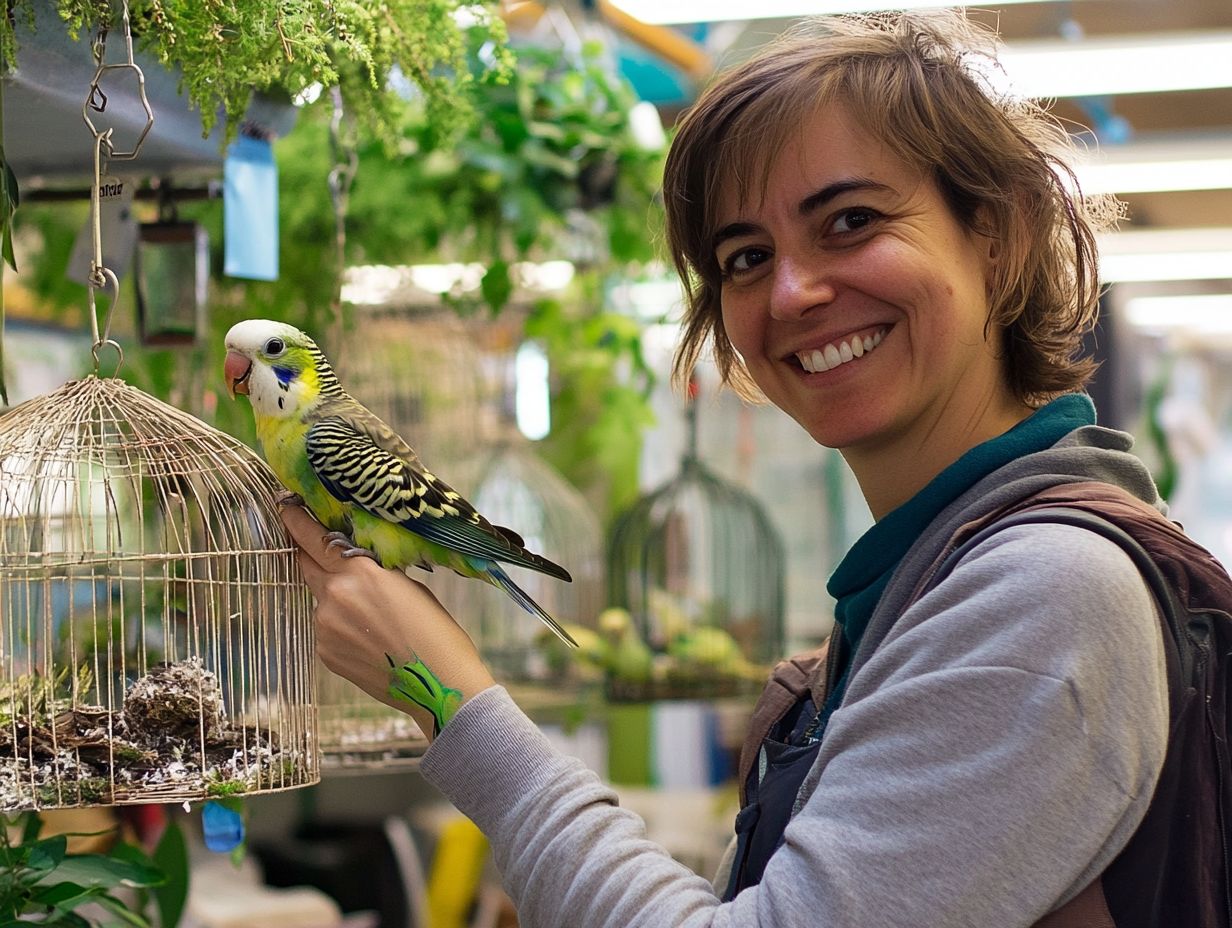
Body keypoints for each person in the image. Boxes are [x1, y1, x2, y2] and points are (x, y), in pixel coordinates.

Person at [279, 10, 1182, 926]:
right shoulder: (922, 581)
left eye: (851, 220)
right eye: (745, 257)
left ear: (1000, 233)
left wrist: (455, 702)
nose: (790, 291)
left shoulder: (1042, 596)